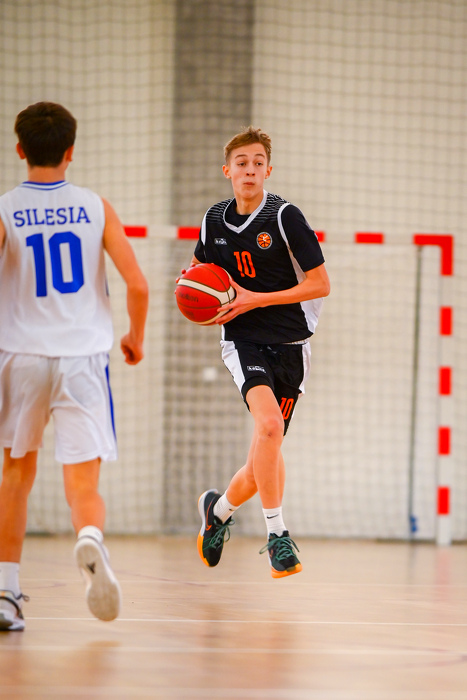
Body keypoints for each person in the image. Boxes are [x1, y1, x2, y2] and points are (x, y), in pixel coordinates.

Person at [0, 102, 149, 630]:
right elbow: (137, 285)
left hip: (21, 356)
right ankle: (89, 538)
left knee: (15, 476)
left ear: (20, 149)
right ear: (70, 151)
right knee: (83, 485)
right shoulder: (95, 206)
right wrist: (134, 337)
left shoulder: (6, 208)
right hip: (83, 358)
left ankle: (6, 593)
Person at [192, 126, 330, 578]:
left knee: (260, 461)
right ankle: (277, 536)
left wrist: (255, 297)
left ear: (268, 170)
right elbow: (199, 269)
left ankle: (217, 513)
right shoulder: (213, 219)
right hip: (243, 339)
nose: (249, 170)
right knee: (268, 425)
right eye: (241, 163)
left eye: (257, 163)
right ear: (227, 170)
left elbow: (320, 284)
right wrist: (191, 284)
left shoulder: (285, 217)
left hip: (291, 345)